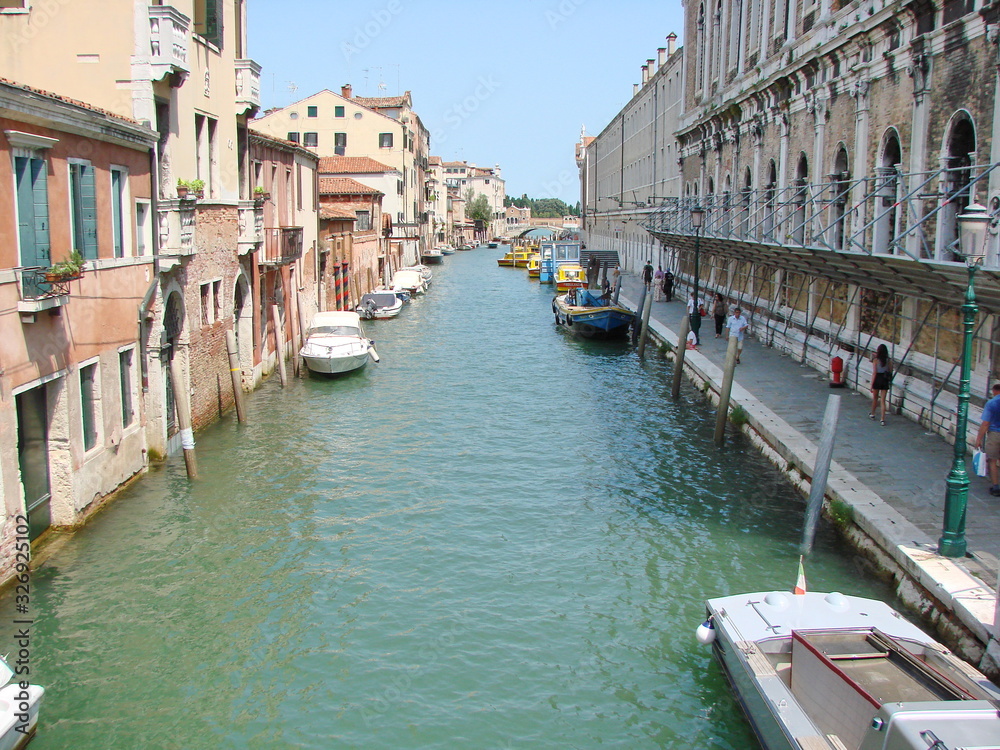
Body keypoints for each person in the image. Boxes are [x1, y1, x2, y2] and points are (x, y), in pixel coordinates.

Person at [976, 383, 1000, 496]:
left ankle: (996, 487)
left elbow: (985, 423)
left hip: (995, 434)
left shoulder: (992, 403)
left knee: (992, 461)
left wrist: (979, 439)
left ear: (995, 391)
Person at [868, 344, 892, 426]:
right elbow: (890, 370)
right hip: (885, 379)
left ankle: (873, 413)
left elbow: (874, 373)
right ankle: (882, 419)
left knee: (875, 398)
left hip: (877, 378)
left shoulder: (876, 360)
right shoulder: (888, 360)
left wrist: (871, 385)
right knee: (883, 400)